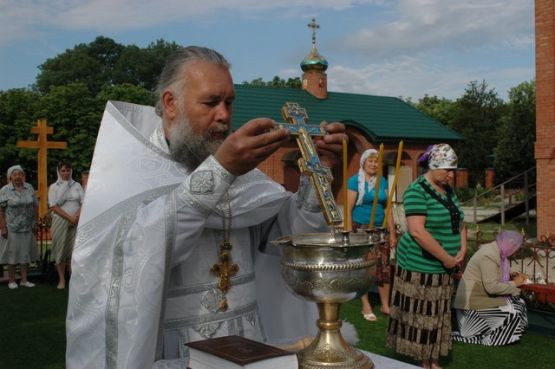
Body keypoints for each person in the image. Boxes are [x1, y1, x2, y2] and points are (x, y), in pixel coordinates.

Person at [66, 46, 349, 369]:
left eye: (229, 102)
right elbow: (134, 256)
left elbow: (292, 238)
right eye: (211, 102)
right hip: (176, 348)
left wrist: (319, 170)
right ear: (171, 104)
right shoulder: (130, 177)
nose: (224, 115)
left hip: (251, 343)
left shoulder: (242, 176)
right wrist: (221, 171)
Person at [386, 143, 467, 369]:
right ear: (432, 166)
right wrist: (446, 258)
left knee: (439, 314)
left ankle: (433, 358)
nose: (452, 175)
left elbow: (460, 220)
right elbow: (417, 231)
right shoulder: (416, 191)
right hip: (421, 266)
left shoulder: (448, 191)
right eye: (447, 170)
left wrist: (462, 248)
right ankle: (425, 361)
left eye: (454, 170)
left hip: (444, 266)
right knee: (423, 316)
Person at [452, 230, 528, 346]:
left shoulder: (497, 251)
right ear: (509, 243)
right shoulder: (489, 255)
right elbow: (492, 287)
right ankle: (488, 339)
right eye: (515, 247)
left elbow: (496, 270)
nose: (515, 251)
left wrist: (512, 273)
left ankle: (509, 332)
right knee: (512, 313)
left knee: (519, 303)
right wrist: (515, 284)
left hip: (480, 299)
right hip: (470, 304)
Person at [347, 148, 396, 321]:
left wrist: (392, 233)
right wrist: (348, 231)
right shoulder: (354, 181)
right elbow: (349, 208)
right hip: (361, 228)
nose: (374, 164)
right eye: (371, 161)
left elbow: (387, 208)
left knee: (384, 266)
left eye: (377, 161)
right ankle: (366, 305)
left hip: (381, 228)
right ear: (363, 162)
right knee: (365, 267)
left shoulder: (382, 182)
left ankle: (385, 305)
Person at [0, 165, 38, 289]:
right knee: (12, 253)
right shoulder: (5, 190)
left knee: (25, 253)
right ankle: (11, 280)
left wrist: (35, 222)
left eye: (20, 174)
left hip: (27, 227)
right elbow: (1, 210)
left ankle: (24, 280)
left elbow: (35, 206)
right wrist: (3, 227)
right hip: (12, 227)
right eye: (15, 174)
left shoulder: (29, 187)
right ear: (10, 176)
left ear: (23, 176)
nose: (18, 177)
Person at [48, 160, 84, 289]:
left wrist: (75, 217)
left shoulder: (77, 185)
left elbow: (83, 203)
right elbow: (53, 206)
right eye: (63, 170)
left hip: (76, 221)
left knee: (73, 250)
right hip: (60, 221)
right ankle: (62, 280)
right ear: (59, 171)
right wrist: (69, 218)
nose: (66, 172)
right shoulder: (54, 187)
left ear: (71, 171)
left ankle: (72, 279)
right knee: (61, 250)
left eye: (68, 170)